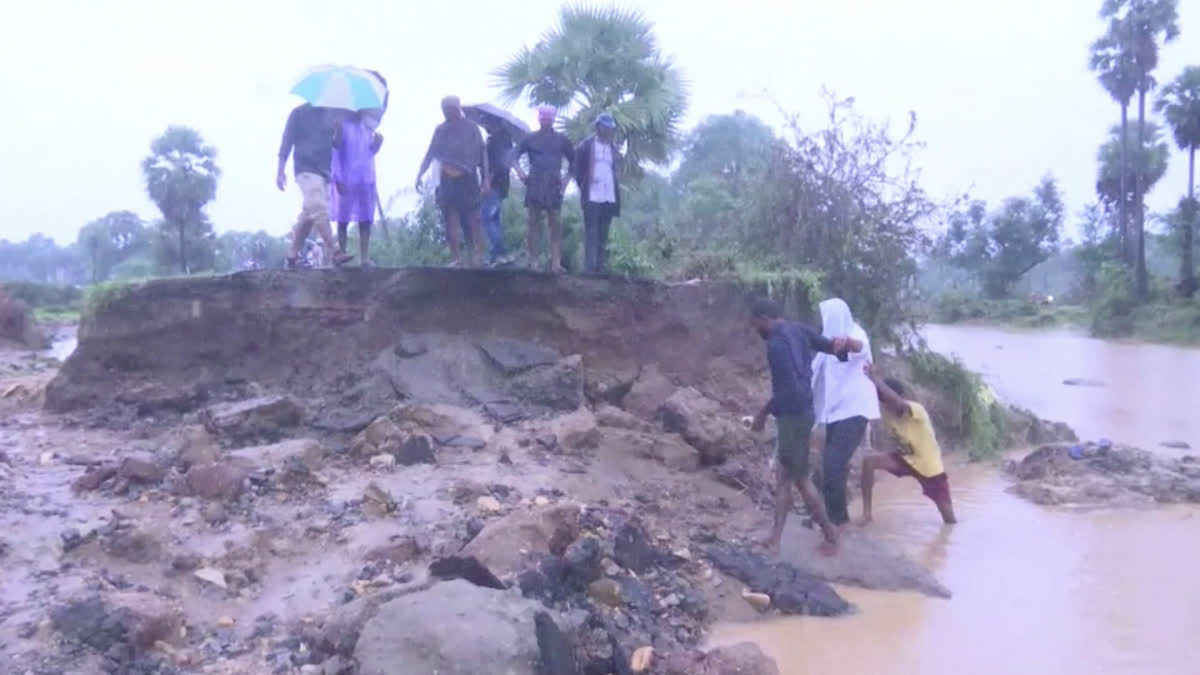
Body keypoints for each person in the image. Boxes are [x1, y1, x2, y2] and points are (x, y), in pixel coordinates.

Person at [749, 298, 863, 556]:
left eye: (755, 324)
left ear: (764, 319)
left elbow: (786, 390)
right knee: (784, 478)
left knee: (797, 479)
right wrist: (845, 345)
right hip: (805, 412)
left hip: (792, 416)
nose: (756, 330)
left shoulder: (776, 345)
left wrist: (762, 414)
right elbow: (832, 348)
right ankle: (775, 538)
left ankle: (829, 533)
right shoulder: (799, 330)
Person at [811, 298, 879, 530]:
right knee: (829, 468)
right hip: (835, 413)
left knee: (832, 465)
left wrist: (848, 342)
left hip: (855, 410)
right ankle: (827, 517)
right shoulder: (826, 342)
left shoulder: (855, 332)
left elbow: (861, 347)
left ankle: (840, 524)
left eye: (825, 316)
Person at [859, 364, 957, 525]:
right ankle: (867, 514)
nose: (888, 406)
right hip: (905, 459)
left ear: (900, 396)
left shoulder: (916, 410)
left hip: (929, 467)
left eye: (889, 401)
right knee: (869, 461)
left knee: (949, 520)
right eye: (884, 402)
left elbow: (898, 403)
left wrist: (875, 379)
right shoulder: (884, 409)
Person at [416, 95, 489, 267]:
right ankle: (455, 258)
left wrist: (486, 179)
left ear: (459, 108)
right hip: (447, 178)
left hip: (468, 176)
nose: (448, 112)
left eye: (451, 109)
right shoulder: (441, 130)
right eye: (445, 109)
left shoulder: (471, 128)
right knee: (450, 218)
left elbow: (483, 154)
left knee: (474, 218)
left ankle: (478, 255)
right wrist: (420, 173)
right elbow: (431, 153)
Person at [277, 103, 352, 267]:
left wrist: (339, 129)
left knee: (309, 216)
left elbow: (336, 145)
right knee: (318, 206)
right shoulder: (298, 113)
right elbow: (286, 141)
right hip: (305, 168)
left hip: (323, 172)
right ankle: (334, 250)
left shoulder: (330, 115)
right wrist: (280, 170)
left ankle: (292, 254)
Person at [515, 105, 574, 272]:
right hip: (534, 182)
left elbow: (574, 162)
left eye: (549, 116)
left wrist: (566, 180)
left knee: (555, 223)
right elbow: (513, 157)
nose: (546, 119)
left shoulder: (562, 140)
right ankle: (532, 260)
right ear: (538, 117)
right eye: (543, 116)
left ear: (553, 118)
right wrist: (520, 173)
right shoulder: (530, 138)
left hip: (554, 183)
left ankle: (556, 262)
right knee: (532, 223)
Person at [331, 110, 383, 266]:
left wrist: (378, 144)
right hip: (346, 178)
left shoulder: (368, 128)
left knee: (365, 219)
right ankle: (341, 254)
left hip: (365, 178)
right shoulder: (341, 126)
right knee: (343, 219)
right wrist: (337, 177)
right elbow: (335, 151)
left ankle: (365, 258)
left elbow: (370, 152)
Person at [574, 113, 621, 275]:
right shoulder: (585, 146)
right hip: (592, 193)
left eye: (610, 128)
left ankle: (601, 266)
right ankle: (589, 267)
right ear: (598, 127)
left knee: (604, 230)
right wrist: (584, 186)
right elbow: (577, 170)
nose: (608, 131)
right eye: (605, 127)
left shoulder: (613, 148)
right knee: (591, 230)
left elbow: (615, 170)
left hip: (608, 194)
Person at [480, 115, 516, 266]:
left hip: (495, 183)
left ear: (493, 122)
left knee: (487, 217)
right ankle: (498, 254)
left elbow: (497, 163)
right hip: (501, 183)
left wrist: (488, 181)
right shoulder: (504, 139)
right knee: (494, 218)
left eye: (486, 122)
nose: (484, 125)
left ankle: (499, 252)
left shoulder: (498, 140)